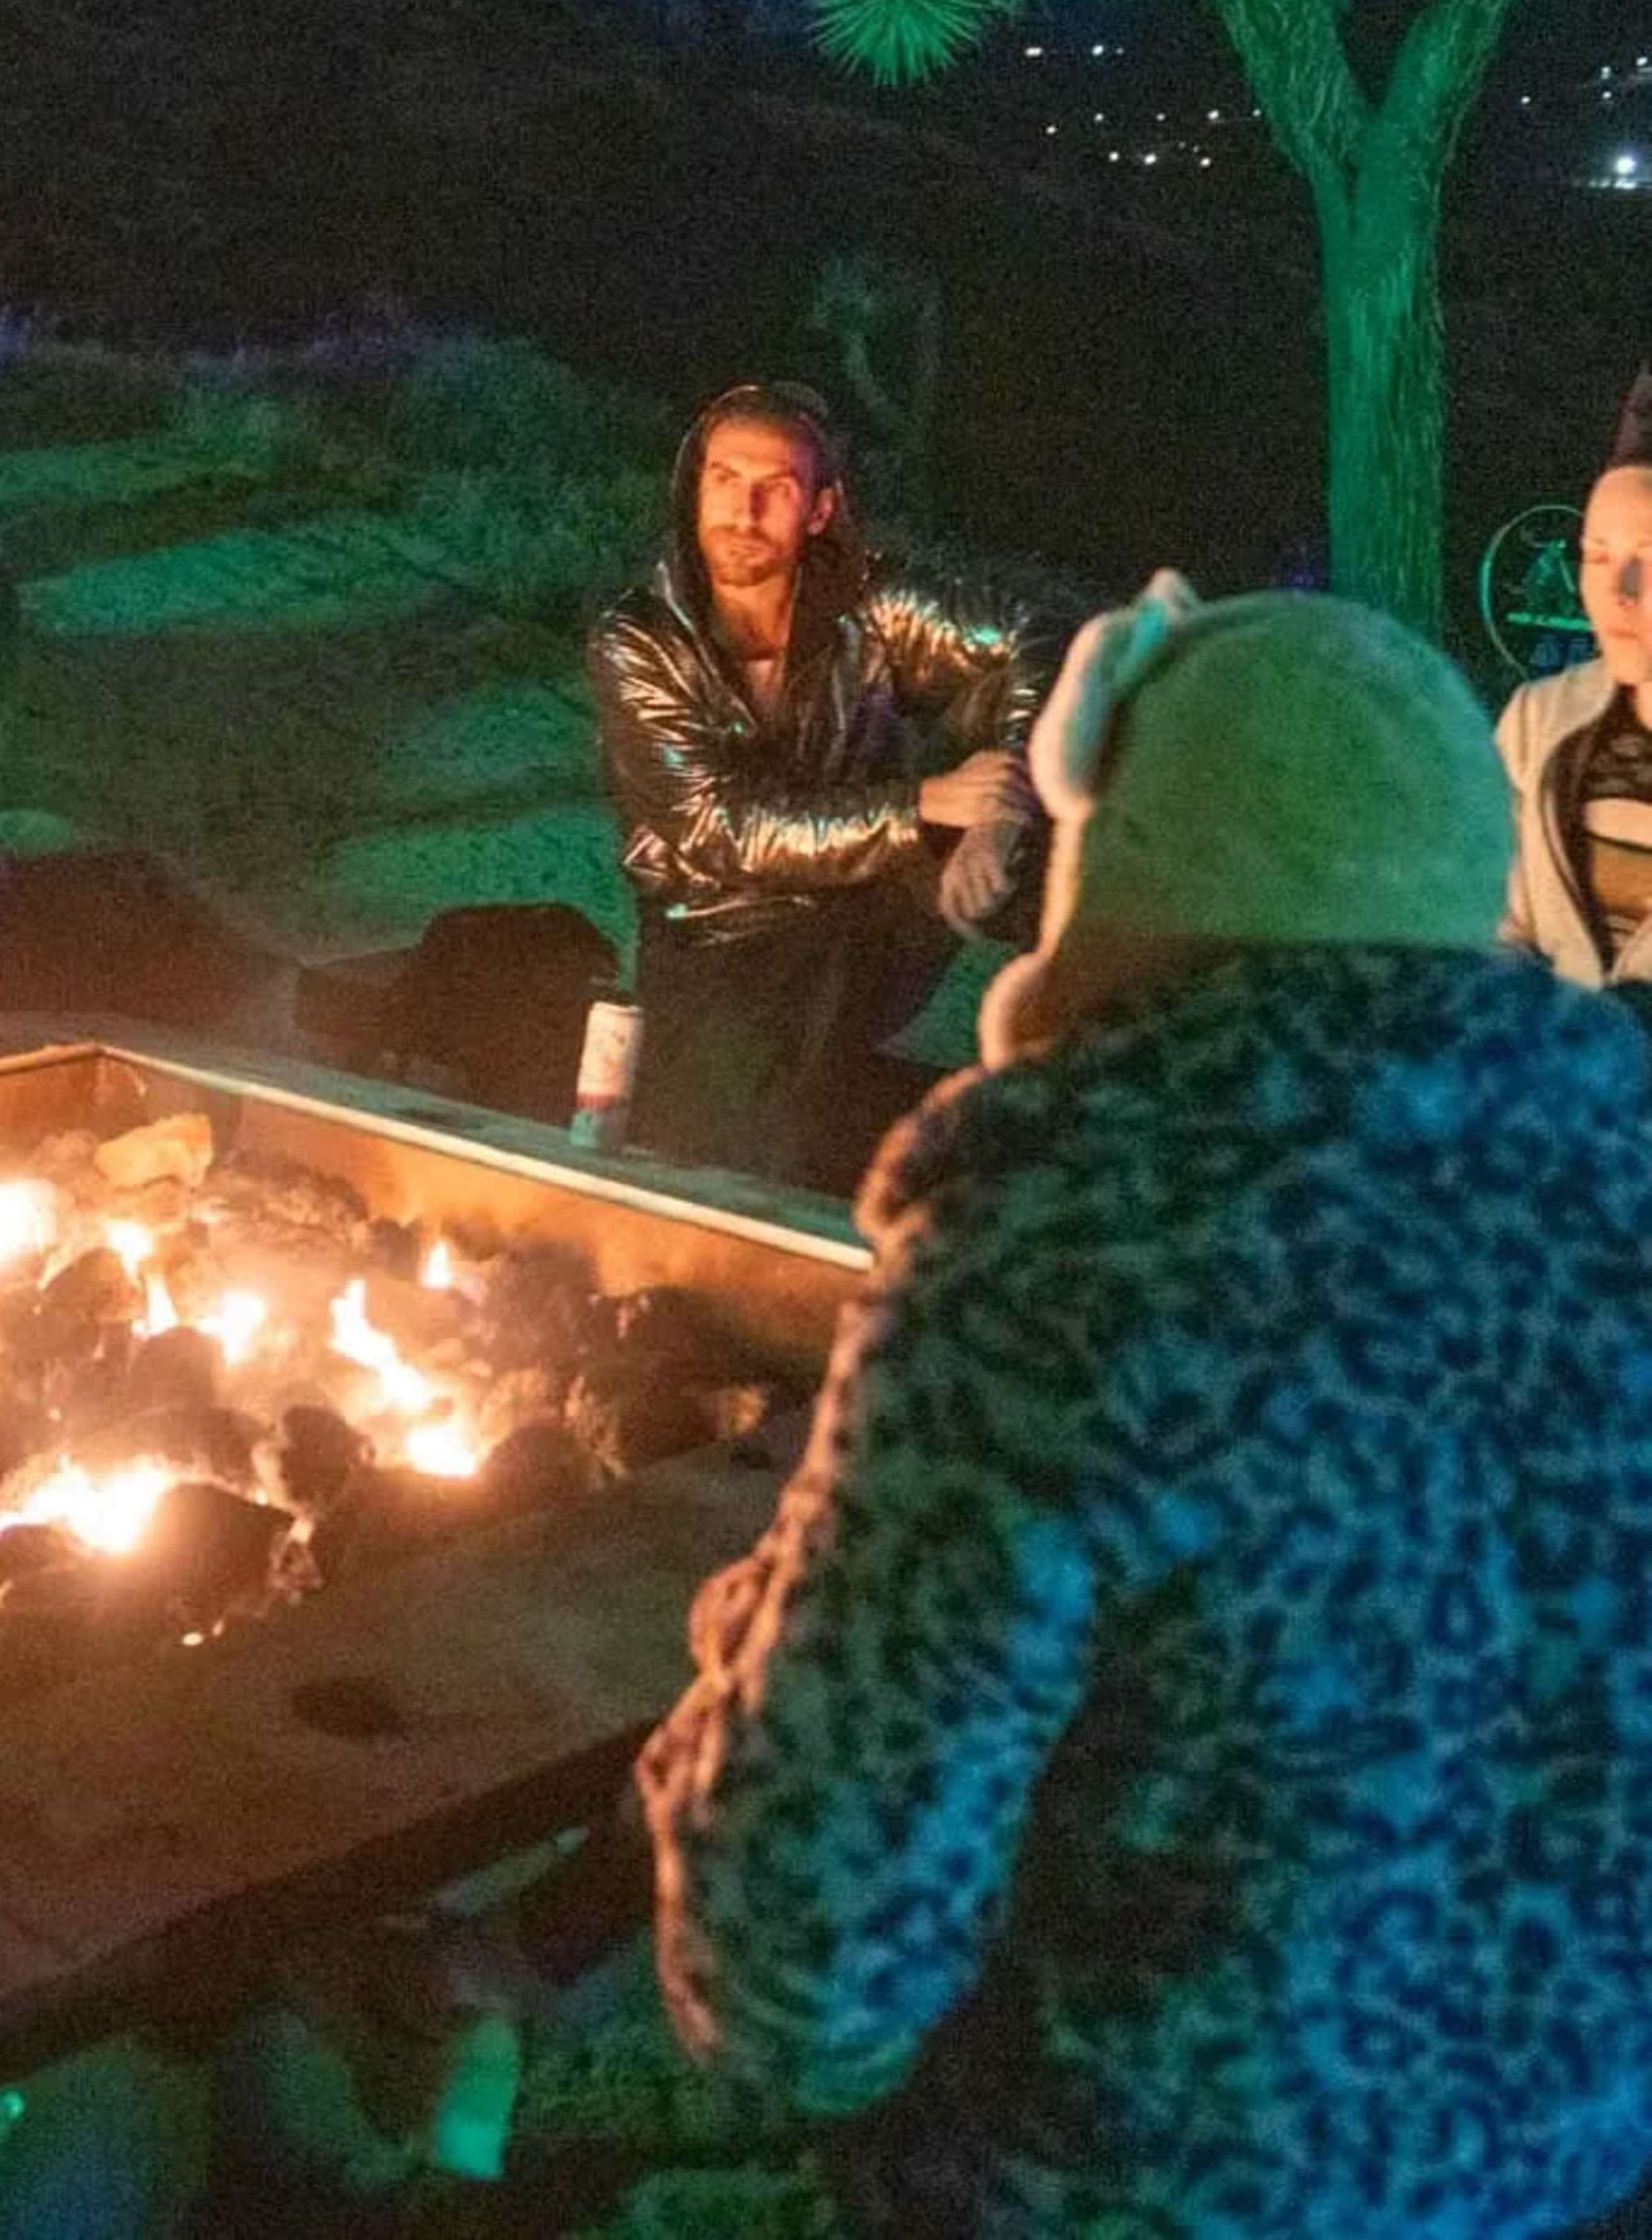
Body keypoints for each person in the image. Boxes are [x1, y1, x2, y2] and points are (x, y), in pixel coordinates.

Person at [638, 577, 1652, 2237]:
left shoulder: (1068, 1248)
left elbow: (801, 1964)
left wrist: (727, 1700)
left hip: (1151, 2191)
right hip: (1574, 2170)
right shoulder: (1622, 1197)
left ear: (1128, 868)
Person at [587, 379, 1048, 1192]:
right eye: (724, 481)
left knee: (1033, 697)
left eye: (776, 489)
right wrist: (926, 805)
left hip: (872, 906)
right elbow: (722, 828)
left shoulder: (865, 604)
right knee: (728, 1178)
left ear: (821, 510)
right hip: (726, 941)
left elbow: (1039, 634)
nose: (744, 510)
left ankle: (1121, 1020)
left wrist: (998, 821)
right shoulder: (642, 642)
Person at [1499, 365, 1652, 993]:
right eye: (1596, 555)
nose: (1620, 590)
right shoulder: (1539, 724)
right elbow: (1494, 926)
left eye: (1649, 557)